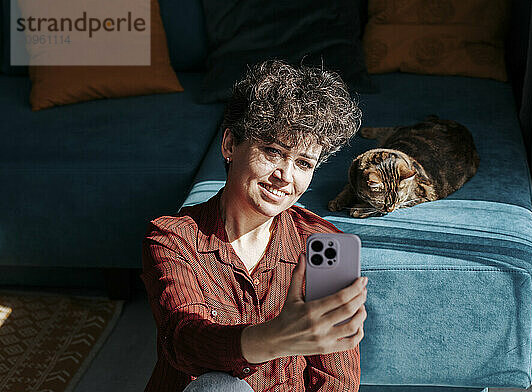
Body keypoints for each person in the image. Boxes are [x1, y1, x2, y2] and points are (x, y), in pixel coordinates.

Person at [140, 60, 368, 392]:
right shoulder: (172, 238)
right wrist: (274, 338)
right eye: (273, 151)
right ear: (231, 144)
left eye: (304, 163)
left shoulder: (323, 246)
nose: (286, 176)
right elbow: (184, 341)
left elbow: (337, 381)